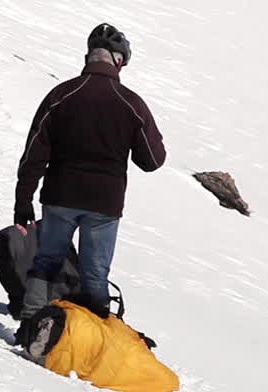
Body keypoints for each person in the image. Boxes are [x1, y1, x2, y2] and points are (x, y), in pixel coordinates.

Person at [13, 23, 166, 319]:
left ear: (88, 56)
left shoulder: (61, 94)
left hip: (59, 195)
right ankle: (94, 335)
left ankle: (30, 325)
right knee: (95, 273)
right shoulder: (132, 103)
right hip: (104, 203)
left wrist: (23, 201)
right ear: (119, 61)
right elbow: (152, 161)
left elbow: (34, 154)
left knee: (46, 262)